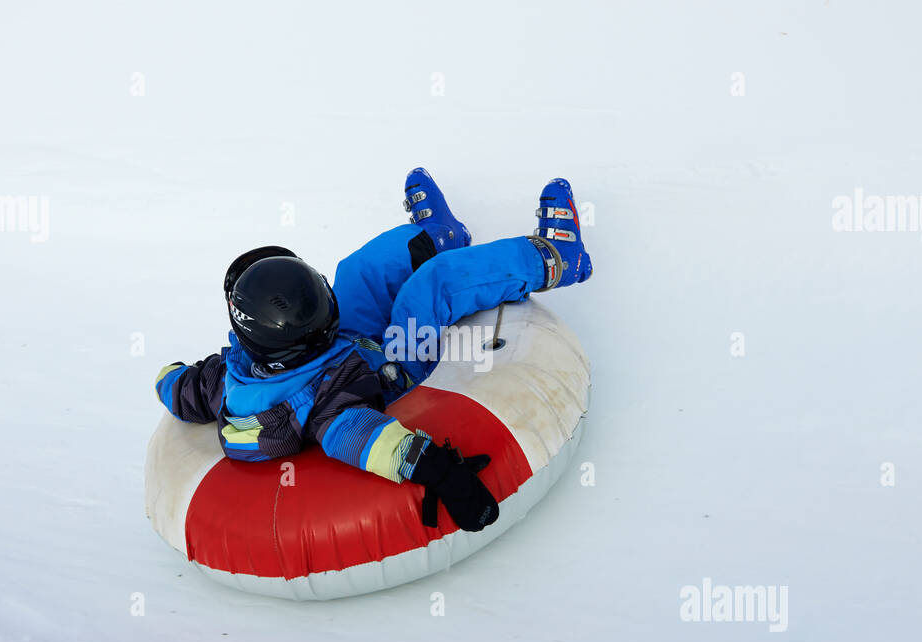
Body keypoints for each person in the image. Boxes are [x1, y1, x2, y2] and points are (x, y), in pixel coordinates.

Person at [153, 168, 593, 532]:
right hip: (392, 371)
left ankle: (437, 235)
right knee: (428, 288)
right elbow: (367, 440)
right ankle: (556, 258)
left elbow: (180, 388)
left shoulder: (231, 376)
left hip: (340, 351)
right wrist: (438, 471)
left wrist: (166, 377)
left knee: (356, 272)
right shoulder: (321, 409)